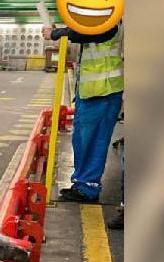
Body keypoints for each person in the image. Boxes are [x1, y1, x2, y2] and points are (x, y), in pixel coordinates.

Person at [51, 21, 123, 203]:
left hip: (104, 91)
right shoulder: (97, 21)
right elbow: (84, 29)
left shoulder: (109, 20)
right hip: (90, 91)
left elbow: (91, 31)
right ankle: (81, 182)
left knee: (95, 142)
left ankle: (89, 187)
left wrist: (57, 33)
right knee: (82, 140)